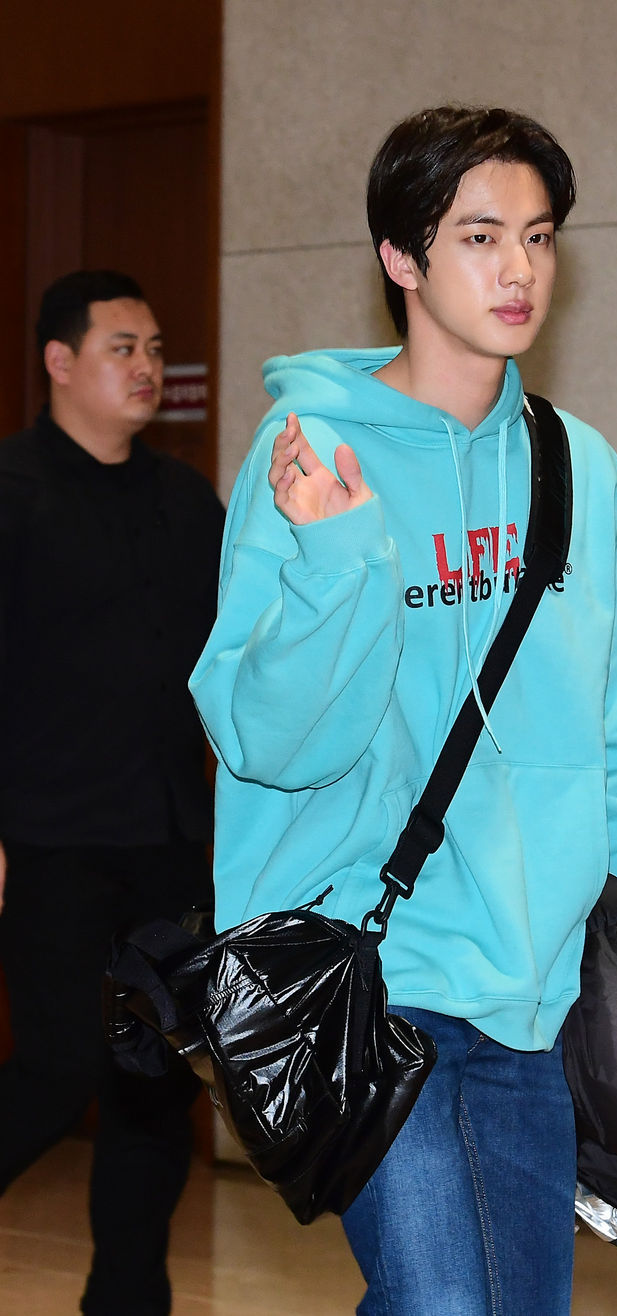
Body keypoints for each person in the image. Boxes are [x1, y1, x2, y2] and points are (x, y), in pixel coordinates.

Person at [189, 105, 617, 1315]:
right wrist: (339, 557)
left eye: (538, 235)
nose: (519, 268)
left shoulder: (581, 469)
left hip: (534, 984)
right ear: (400, 257)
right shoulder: (311, 456)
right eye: (480, 236)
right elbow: (266, 740)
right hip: (369, 970)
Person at [0, 269, 225, 1315]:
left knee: (156, 1084)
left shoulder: (186, 500)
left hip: (170, 839)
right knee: (55, 1068)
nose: (148, 367)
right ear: (60, 361)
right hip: (48, 837)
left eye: (156, 348)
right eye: (123, 347)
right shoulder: (10, 493)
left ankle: (127, 1302)